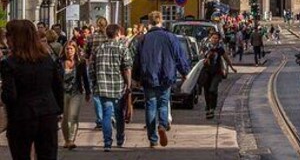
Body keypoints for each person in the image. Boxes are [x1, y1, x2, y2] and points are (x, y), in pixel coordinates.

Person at [0, 20, 64, 160]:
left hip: (21, 117)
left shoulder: (9, 63)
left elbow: (9, 96)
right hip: (47, 114)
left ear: (15, 38)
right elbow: (58, 87)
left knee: (21, 155)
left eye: (8, 35)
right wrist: (58, 110)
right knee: (47, 155)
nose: (6, 39)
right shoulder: (47, 60)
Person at [136, 11, 191, 148]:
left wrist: (136, 77)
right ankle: (162, 125)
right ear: (161, 21)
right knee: (163, 103)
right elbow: (179, 56)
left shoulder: (143, 39)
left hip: (149, 76)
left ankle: (153, 139)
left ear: (149, 22)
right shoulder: (170, 37)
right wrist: (184, 72)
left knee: (150, 105)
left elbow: (137, 59)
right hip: (166, 75)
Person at [92, 24, 132, 151]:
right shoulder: (122, 48)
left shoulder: (98, 49)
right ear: (118, 33)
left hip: (103, 86)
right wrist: (128, 84)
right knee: (119, 113)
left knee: (106, 114)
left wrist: (94, 83)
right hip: (118, 87)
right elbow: (127, 68)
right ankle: (120, 138)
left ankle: (107, 143)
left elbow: (91, 69)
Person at [60, 41, 91, 149]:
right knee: (65, 117)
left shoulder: (80, 62)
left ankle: (71, 140)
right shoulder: (59, 62)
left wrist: (88, 92)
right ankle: (66, 139)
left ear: (75, 50)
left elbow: (85, 78)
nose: (69, 51)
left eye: (71, 49)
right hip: (62, 93)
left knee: (73, 116)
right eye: (67, 49)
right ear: (64, 50)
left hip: (76, 92)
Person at [202, 32, 235, 120]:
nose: (214, 40)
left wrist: (232, 67)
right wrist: (206, 58)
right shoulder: (206, 47)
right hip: (207, 72)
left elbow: (226, 58)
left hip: (217, 72)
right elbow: (202, 57)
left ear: (219, 39)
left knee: (212, 89)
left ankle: (213, 107)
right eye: (213, 38)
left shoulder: (220, 49)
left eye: (216, 38)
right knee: (206, 90)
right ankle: (208, 107)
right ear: (210, 38)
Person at [86, 16, 109, 129]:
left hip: (95, 68)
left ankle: (100, 120)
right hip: (108, 68)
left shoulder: (91, 37)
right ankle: (109, 117)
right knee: (108, 94)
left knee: (96, 95)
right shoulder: (109, 37)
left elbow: (86, 53)